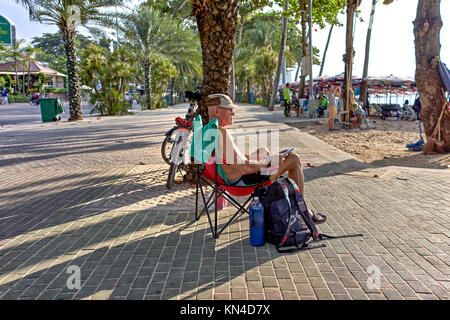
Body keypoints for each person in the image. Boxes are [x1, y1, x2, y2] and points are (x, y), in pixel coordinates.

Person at [205, 93, 327, 224]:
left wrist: (264, 157)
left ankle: (296, 208)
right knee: (294, 159)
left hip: (229, 179)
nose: (233, 113)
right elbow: (244, 167)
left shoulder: (207, 132)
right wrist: (268, 162)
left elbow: (232, 160)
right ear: (217, 111)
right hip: (244, 182)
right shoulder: (222, 133)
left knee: (264, 150)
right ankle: (301, 211)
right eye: (229, 109)